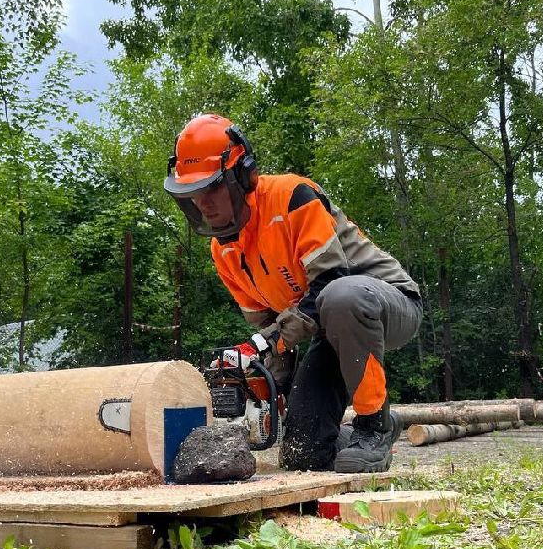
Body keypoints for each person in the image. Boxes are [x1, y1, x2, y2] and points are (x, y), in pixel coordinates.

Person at [163, 113, 422, 473]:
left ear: (242, 175)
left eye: (211, 188)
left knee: (342, 296)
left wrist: (267, 342)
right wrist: (266, 383)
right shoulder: (223, 251)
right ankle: (351, 437)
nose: (203, 203)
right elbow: (271, 330)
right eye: (193, 193)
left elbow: (331, 279)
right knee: (302, 454)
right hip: (329, 325)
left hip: (387, 302)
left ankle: (373, 425)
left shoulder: (292, 198)